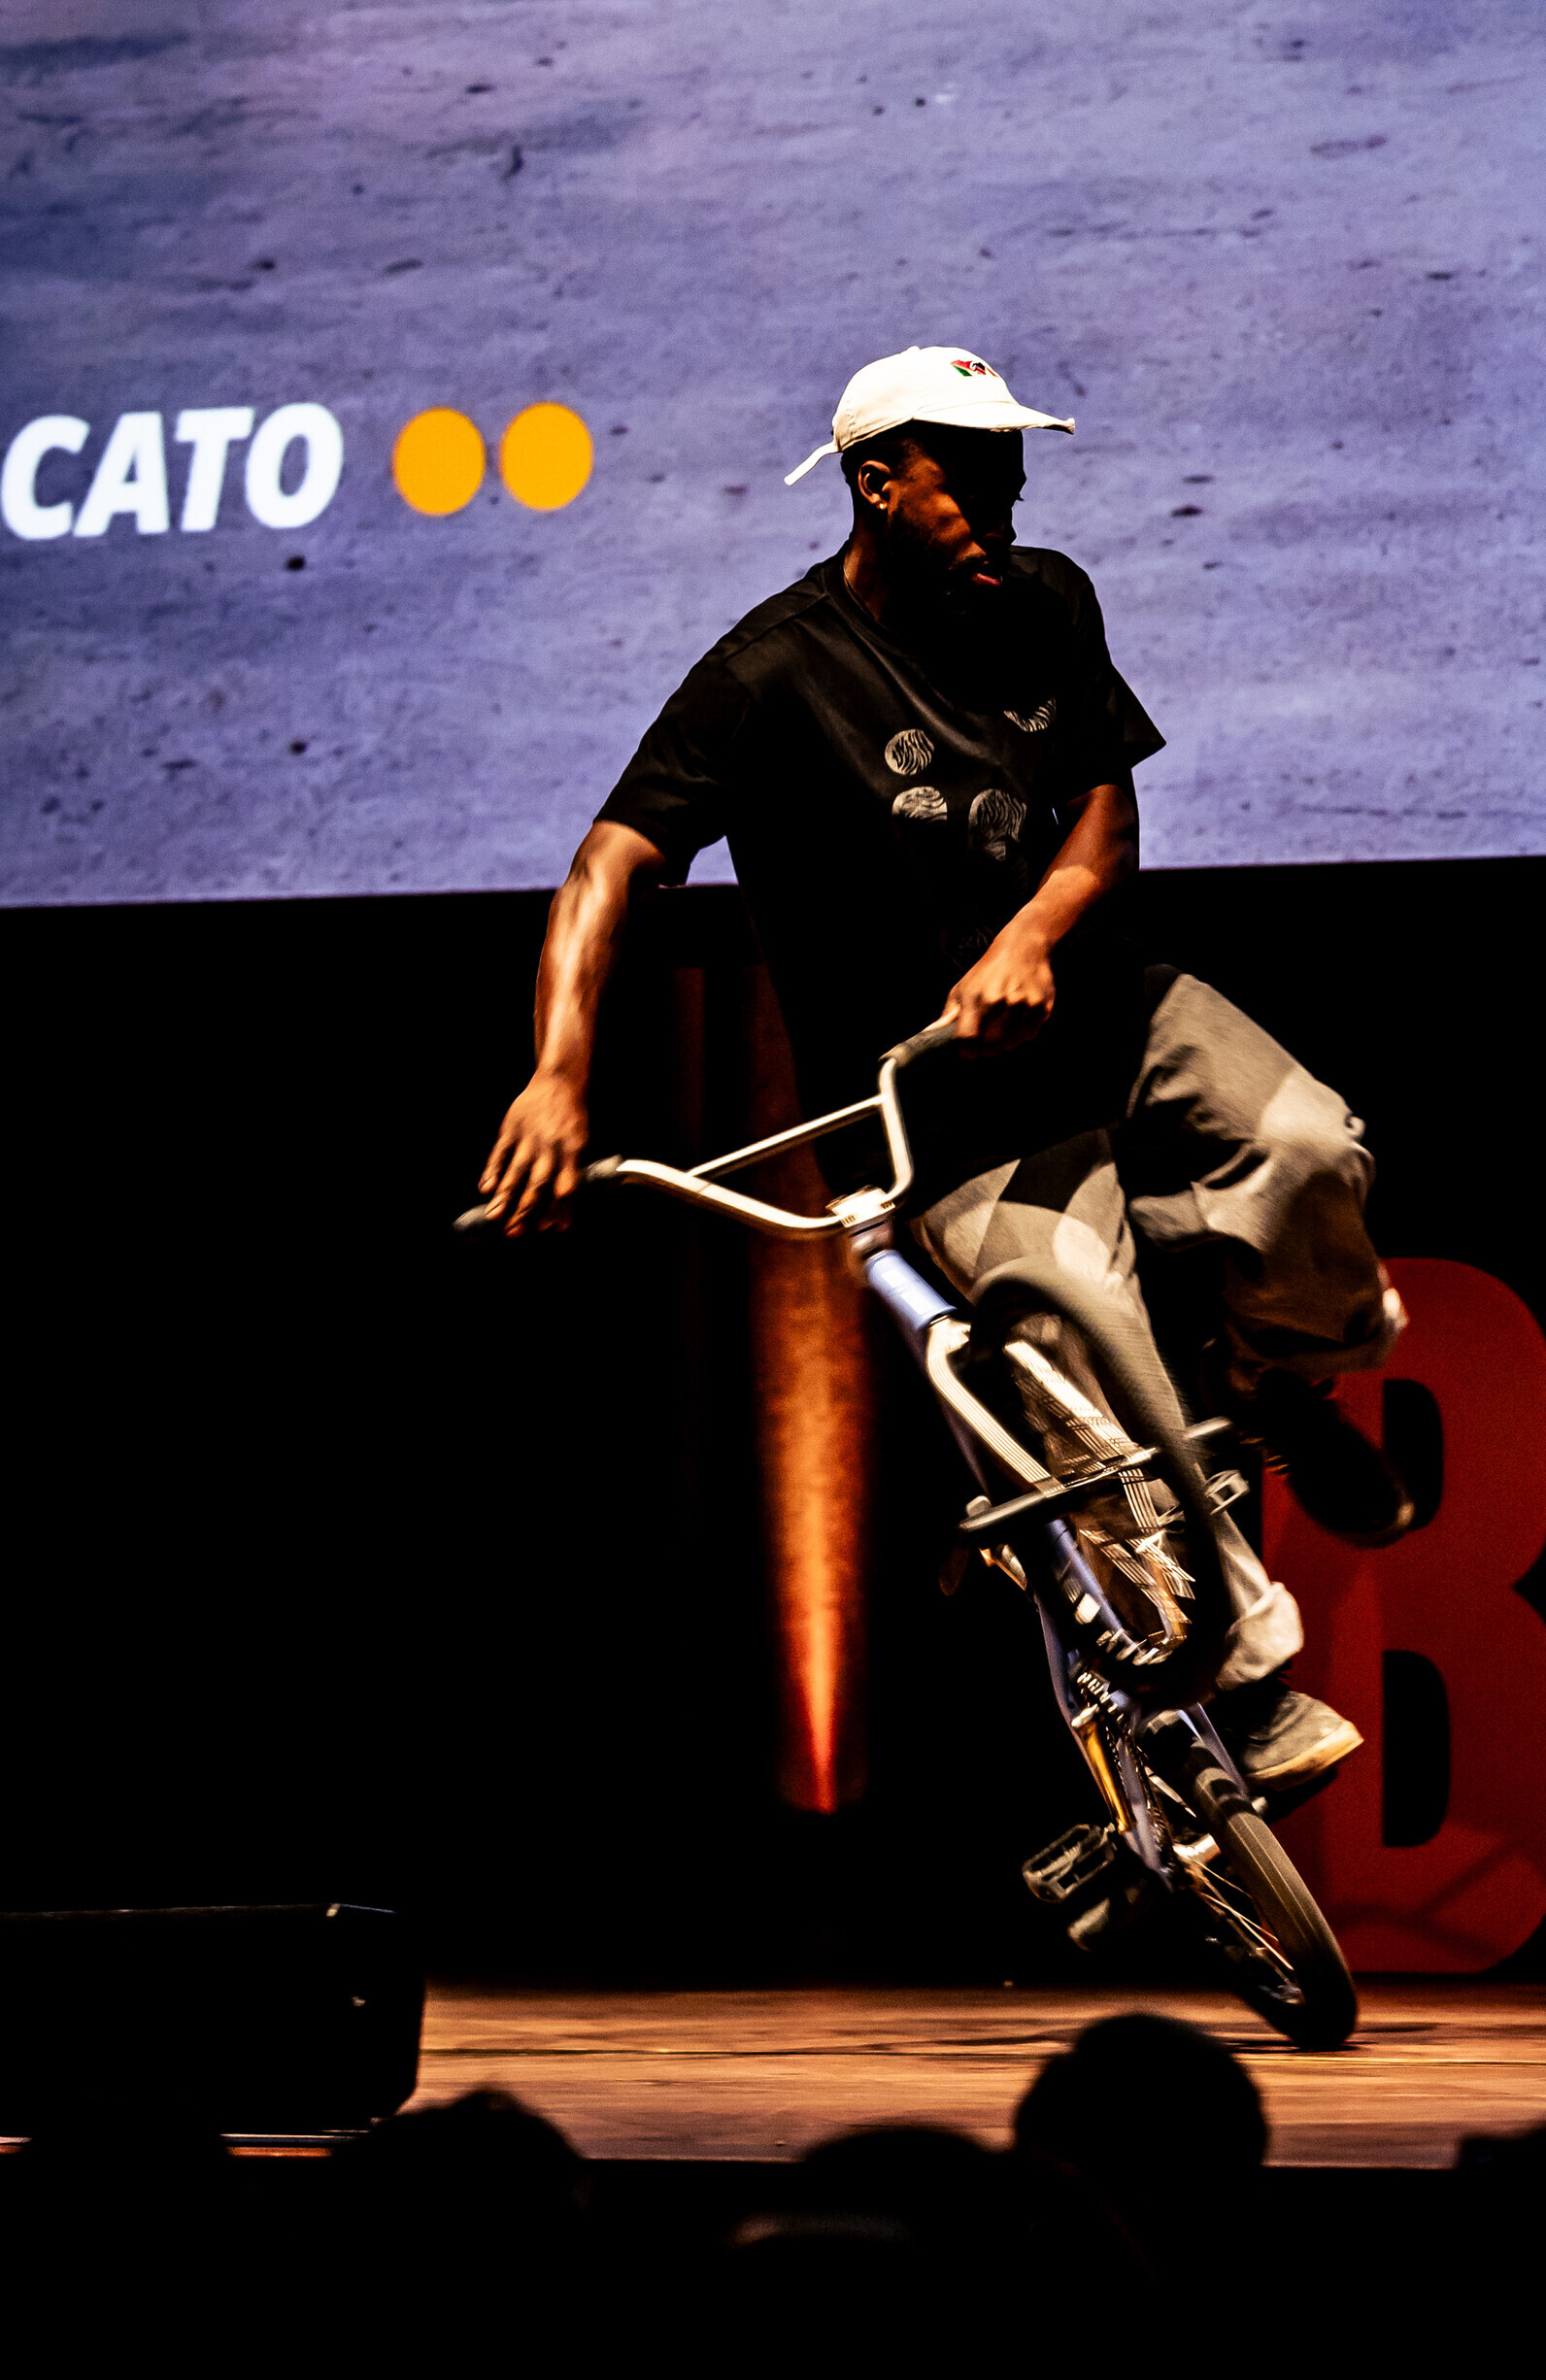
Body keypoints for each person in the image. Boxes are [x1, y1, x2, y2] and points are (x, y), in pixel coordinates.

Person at [480, 346, 1406, 1810]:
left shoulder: (1048, 601)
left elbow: (1104, 816)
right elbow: (613, 864)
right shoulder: (770, 674)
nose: (1001, 498)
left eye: (1010, 469)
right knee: (1085, 1370)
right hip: (938, 1109)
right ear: (875, 484)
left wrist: (1034, 934)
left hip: (1106, 1006)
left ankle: (1278, 1372)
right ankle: (1254, 1685)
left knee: (1310, 1151)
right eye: (963, 477)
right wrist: (559, 1072)